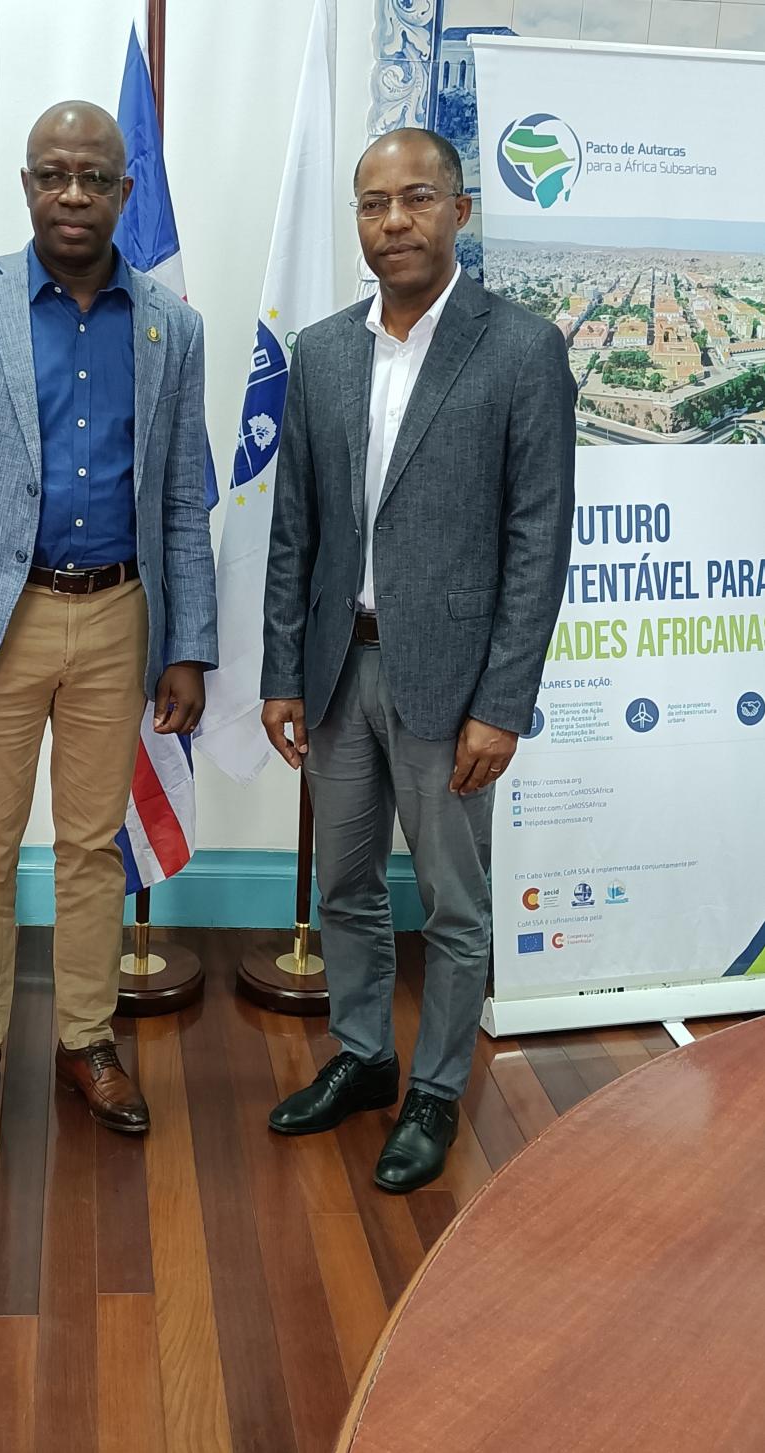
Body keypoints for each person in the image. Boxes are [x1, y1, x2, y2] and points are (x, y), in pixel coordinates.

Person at [0, 101, 217, 1143]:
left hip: (120, 617)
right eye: (52, 174)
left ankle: (88, 1038)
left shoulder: (173, 326)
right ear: (28, 183)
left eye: (94, 177)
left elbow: (181, 500)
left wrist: (189, 647)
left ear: (126, 190)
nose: (73, 194)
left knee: (89, 849)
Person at [260, 128, 575, 1193]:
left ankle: (436, 1087)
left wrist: (504, 702)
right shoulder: (321, 353)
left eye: (416, 198)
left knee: (452, 903)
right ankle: (363, 1056)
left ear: (459, 210)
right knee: (345, 885)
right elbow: (294, 530)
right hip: (337, 673)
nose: (392, 220)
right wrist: (281, 671)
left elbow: (538, 539)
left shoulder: (520, 349)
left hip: (452, 687)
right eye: (372, 203)